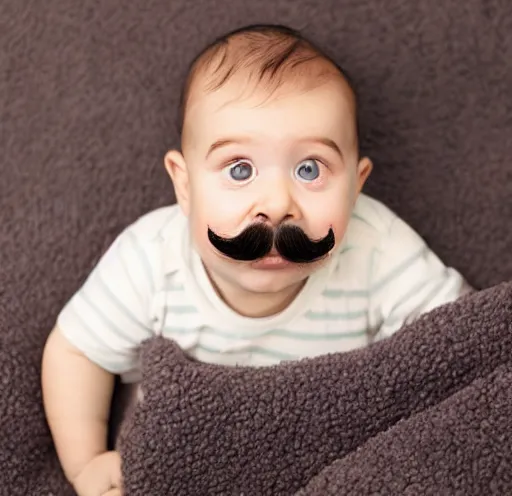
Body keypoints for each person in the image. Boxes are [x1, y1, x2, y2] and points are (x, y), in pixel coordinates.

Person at [42, 24, 471, 496]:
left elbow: (456, 342)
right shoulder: (151, 259)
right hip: (190, 469)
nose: (276, 203)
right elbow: (76, 351)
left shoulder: (378, 249)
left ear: (355, 185)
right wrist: (86, 464)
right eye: (240, 169)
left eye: (310, 169)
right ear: (184, 185)